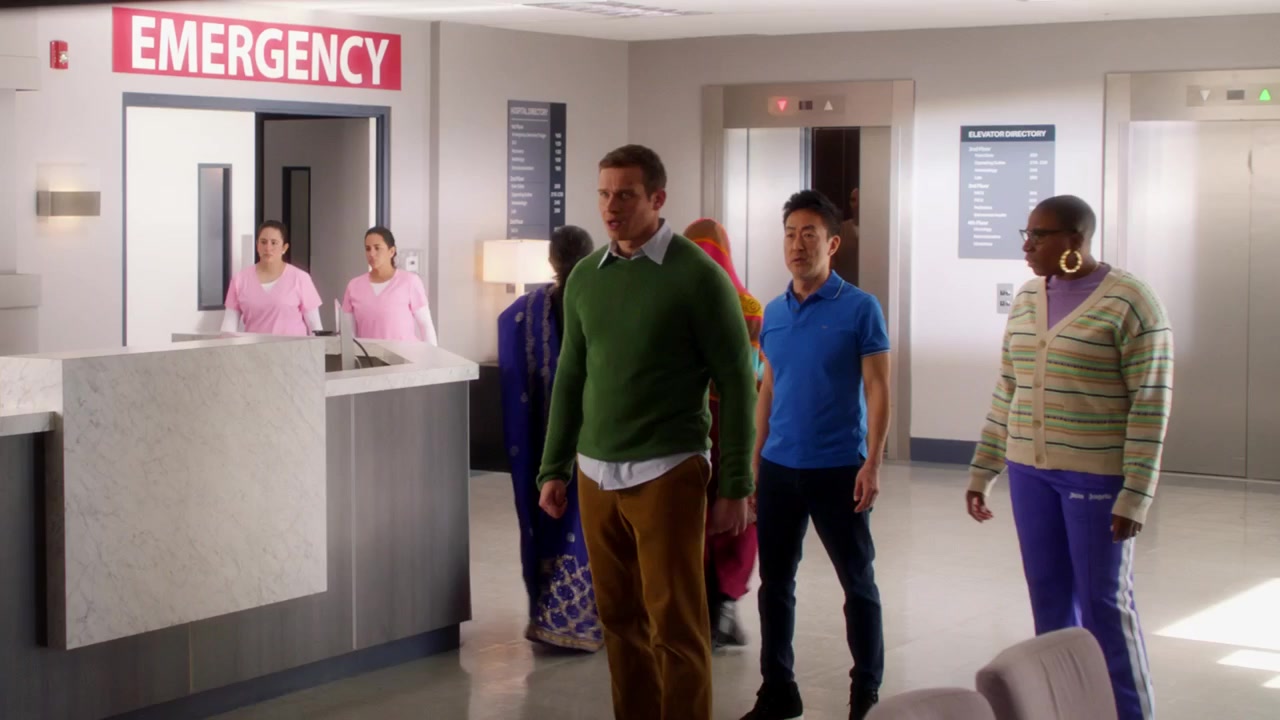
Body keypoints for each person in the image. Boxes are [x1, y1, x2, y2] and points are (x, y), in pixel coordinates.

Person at [536, 144, 757, 720]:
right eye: (604, 194)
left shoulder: (699, 277)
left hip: (668, 469)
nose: (612, 207)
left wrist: (736, 483)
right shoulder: (586, 279)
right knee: (619, 623)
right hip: (595, 472)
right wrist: (554, 467)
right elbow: (571, 376)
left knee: (676, 626)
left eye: (626, 195)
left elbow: (739, 382)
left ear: (658, 198)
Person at [967, 195, 1173, 720]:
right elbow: (1008, 386)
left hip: (1096, 477)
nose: (1027, 246)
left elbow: (1151, 404)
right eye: (1026, 233)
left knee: (1104, 606)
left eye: (1039, 236)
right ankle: (1065, 708)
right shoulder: (1028, 298)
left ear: (1075, 241)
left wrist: (1136, 493)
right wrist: (985, 468)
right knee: (1050, 604)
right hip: (1029, 473)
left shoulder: (1131, 302)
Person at [742, 190, 890, 720]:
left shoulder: (860, 308)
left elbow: (877, 387)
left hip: (838, 467)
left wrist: (873, 461)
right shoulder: (774, 312)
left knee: (857, 582)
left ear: (832, 244)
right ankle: (778, 691)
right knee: (775, 585)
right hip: (780, 469)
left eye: (809, 234)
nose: (797, 244)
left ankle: (865, 693)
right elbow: (768, 388)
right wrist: (755, 461)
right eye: (790, 234)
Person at [497, 225, 602, 652]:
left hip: (543, 439)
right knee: (588, 522)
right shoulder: (601, 300)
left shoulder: (525, 312)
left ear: (551, 262)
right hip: (596, 436)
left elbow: (506, 334)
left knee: (550, 518)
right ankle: (589, 620)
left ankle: (547, 616)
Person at [684, 218, 763, 650]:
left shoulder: (679, 300)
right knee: (738, 514)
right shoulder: (750, 308)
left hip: (690, 424)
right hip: (736, 421)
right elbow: (757, 376)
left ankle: (702, 608)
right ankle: (724, 605)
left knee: (696, 513)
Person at [222, 220, 324, 336]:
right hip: (254, 346)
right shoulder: (240, 280)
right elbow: (228, 325)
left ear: (284, 247)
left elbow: (315, 326)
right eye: (263, 242)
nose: (268, 248)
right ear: (257, 245)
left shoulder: (300, 278)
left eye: (274, 243)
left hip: (294, 347)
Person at [341, 226, 438, 344]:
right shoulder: (354, 286)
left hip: (405, 354)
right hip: (369, 355)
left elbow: (426, 325)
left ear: (391, 251)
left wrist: (432, 354)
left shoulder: (410, 281)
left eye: (377, 248)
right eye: (368, 249)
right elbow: (349, 335)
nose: (372, 253)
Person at [834, 187, 860, 285]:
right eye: (853, 200)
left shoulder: (876, 232)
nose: (856, 204)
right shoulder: (840, 229)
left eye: (860, 200)